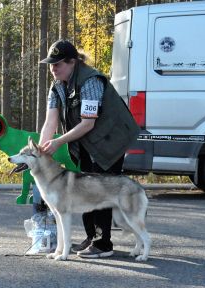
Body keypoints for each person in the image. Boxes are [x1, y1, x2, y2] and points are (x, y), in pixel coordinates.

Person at [38, 39, 140, 258]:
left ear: (72, 62)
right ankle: (91, 236)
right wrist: (39, 152)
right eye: (51, 64)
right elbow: (50, 123)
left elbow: (88, 123)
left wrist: (57, 142)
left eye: (58, 64)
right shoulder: (56, 86)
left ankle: (103, 244)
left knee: (102, 188)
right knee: (83, 187)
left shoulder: (90, 80)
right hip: (87, 140)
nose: (53, 69)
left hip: (111, 139)